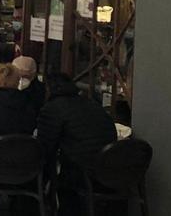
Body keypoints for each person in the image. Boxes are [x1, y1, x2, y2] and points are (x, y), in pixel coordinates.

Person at [37, 72, 117, 213]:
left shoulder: (52, 109)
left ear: (48, 89)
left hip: (84, 173)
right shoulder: (91, 104)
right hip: (113, 168)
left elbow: (44, 147)